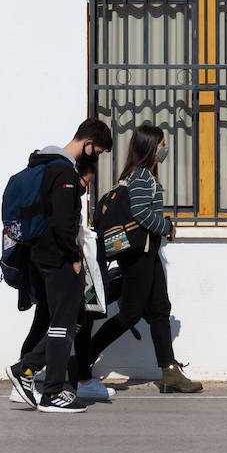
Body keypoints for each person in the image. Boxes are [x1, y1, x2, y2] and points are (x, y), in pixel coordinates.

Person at [6, 118, 113, 414]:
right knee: (64, 323)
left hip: (42, 256)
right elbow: (64, 220)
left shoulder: (49, 166)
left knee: (71, 320)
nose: (97, 157)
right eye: (99, 152)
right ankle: (52, 391)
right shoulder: (63, 170)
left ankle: (26, 370)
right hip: (59, 259)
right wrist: (75, 258)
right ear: (88, 144)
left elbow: (53, 206)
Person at [88, 123, 203, 394]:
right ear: (151, 147)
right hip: (139, 255)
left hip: (148, 255)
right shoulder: (141, 176)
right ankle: (80, 360)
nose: (164, 149)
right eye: (161, 145)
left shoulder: (144, 175)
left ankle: (170, 372)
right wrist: (166, 228)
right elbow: (140, 212)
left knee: (160, 309)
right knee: (129, 314)